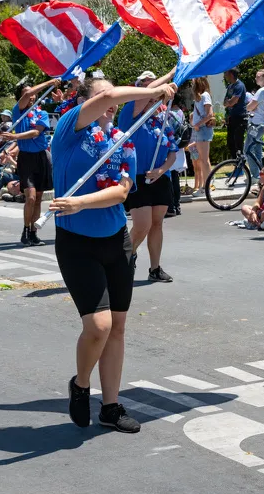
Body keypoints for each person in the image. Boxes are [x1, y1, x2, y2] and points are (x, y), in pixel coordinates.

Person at [48, 76, 177, 433]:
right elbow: (108, 95)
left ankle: (111, 406)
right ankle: (81, 384)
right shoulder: (68, 130)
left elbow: (121, 193)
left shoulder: (123, 141)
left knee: (117, 327)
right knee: (99, 325)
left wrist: (80, 202)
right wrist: (153, 90)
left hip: (115, 240)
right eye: (103, 94)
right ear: (83, 101)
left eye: (113, 96)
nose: (111, 100)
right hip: (77, 244)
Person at [119, 70, 178, 283]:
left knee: (157, 224)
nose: (151, 89)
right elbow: (145, 94)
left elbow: (172, 151)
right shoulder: (130, 114)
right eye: (145, 85)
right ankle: (126, 257)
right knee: (142, 225)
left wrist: (162, 170)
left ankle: (155, 268)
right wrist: (171, 74)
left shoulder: (162, 120)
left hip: (159, 178)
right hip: (137, 177)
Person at [1, 78, 58, 246]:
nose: (31, 97)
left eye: (34, 94)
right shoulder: (18, 111)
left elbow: (36, 133)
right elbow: (27, 94)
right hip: (26, 158)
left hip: (41, 157)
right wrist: (48, 84)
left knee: (39, 197)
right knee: (31, 197)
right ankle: (25, 230)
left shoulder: (42, 113)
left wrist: (15, 137)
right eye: (28, 94)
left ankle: (33, 232)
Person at [190, 78, 214, 196]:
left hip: (203, 130)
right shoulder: (202, 97)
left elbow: (210, 114)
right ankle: (206, 186)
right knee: (204, 160)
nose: (192, 84)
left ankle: (206, 187)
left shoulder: (205, 96)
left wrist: (198, 124)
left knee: (204, 160)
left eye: (193, 82)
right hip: (201, 130)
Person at [244, 69, 264, 186]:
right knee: (257, 150)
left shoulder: (261, 91)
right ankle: (260, 174)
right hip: (262, 123)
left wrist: (251, 107)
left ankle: (255, 175)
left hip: (257, 124)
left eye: (258, 76)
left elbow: (249, 107)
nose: (256, 79)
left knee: (247, 150)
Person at [223, 68, 247, 159]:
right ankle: (235, 164)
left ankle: (240, 166)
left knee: (238, 142)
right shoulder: (230, 86)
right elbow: (225, 102)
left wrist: (229, 102)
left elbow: (233, 101)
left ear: (231, 74)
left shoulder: (239, 86)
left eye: (226, 72)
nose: (225, 75)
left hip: (240, 117)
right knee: (230, 142)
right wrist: (229, 102)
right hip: (231, 117)